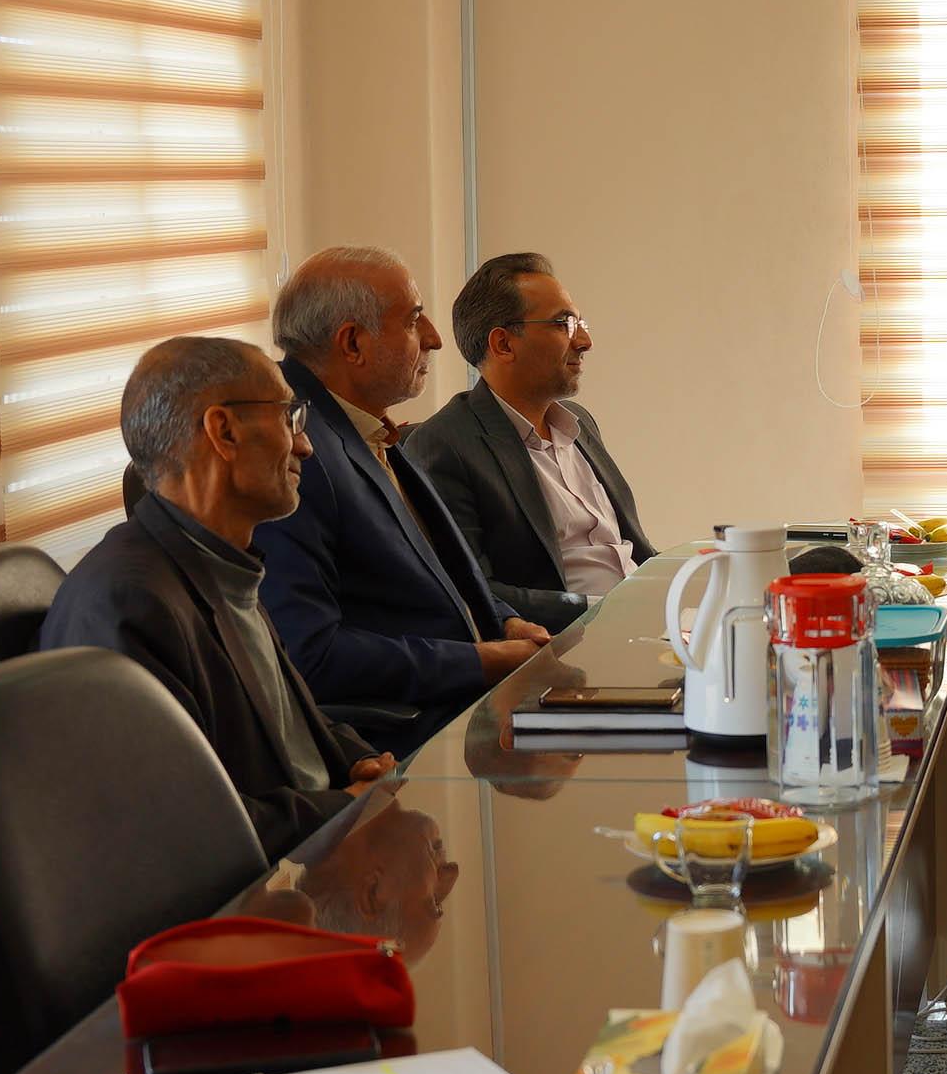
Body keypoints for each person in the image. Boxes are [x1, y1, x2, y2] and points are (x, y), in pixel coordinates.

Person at [46, 336, 394, 855]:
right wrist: (342, 808)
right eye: (290, 418)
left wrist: (356, 759)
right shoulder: (128, 604)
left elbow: (286, 720)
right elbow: (176, 828)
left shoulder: (223, 562)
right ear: (224, 431)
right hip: (263, 886)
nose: (305, 445)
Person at [253, 248, 561, 752]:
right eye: (415, 320)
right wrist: (482, 661)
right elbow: (311, 654)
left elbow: (435, 569)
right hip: (414, 737)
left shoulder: (363, 426)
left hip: (474, 706)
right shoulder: (295, 452)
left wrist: (502, 619)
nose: (435, 338)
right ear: (353, 343)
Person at [409, 253, 657, 603]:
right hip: (568, 631)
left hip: (643, 617)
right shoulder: (444, 445)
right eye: (563, 324)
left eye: (580, 323)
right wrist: (601, 610)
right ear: (503, 345)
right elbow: (473, 593)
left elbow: (635, 552)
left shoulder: (580, 423)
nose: (584, 341)